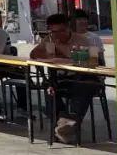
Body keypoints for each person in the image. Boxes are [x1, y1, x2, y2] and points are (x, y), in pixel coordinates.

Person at [30, 13, 100, 144]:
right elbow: (33, 54)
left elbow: (95, 61)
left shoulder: (83, 40)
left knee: (85, 86)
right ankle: (64, 121)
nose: (57, 35)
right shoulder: (50, 40)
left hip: (83, 77)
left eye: (60, 31)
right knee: (49, 88)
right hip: (61, 79)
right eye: (53, 31)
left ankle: (68, 122)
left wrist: (68, 59)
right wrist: (48, 54)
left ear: (68, 28)